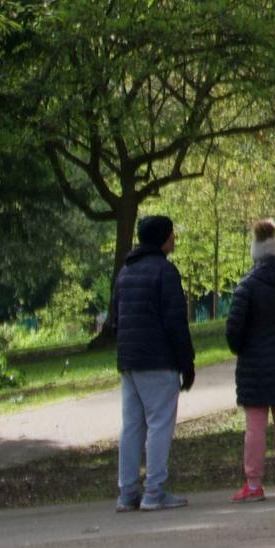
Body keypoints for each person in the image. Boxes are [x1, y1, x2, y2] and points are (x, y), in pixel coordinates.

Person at [101, 214, 194, 511]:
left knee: (131, 426)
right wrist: (186, 362)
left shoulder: (125, 272)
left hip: (129, 360)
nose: (174, 240)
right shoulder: (165, 273)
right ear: (163, 239)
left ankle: (127, 492)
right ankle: (154, 491)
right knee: (159, 425)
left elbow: (115, 320)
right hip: (158, 360)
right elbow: (175, 322)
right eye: (172, 235)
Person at [224, 220, 275, 500]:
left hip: (255, 367)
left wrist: (241, 348)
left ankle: (254, 483)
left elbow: (234, 330)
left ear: (255, 250)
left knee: (255, 427)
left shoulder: (247, 286)